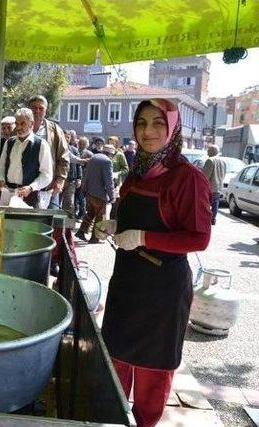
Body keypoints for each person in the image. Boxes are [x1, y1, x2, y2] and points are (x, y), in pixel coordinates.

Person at [96, 99, 211, 427]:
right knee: (115, 365)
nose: (148, 131)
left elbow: (198, 238)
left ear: (173, 127)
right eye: (142, 123)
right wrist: (115, 225)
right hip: (127, 285)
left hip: (162, 296)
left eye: (158, 123)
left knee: (151, 377)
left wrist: (145, 238)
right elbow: (128, 214)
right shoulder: (137, 172)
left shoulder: (187, 178)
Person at [0, 108, 53, 208]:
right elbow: (1, 167)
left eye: (22, 123)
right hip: (7, 194)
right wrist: (0, 180)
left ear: (31, 124)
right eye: (17, 123)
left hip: (30, 196)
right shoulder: (9, 142)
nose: (18, 127)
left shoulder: (41, 145)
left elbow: (47, 175)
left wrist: (31, 187)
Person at [29, 95, 69, 209]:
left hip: (49, 186)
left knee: (50, 221)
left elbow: (64, 156)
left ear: (45, 111)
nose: (37, 111)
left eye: (41, 108)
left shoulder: (54, 130)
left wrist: (60, 179)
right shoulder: (21, 127)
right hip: (26, 185)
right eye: (33, 108)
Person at [75, 144, 115, 243]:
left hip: (89, 192)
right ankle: (95, 238)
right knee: (100, 216)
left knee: (90, 213)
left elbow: (86, 174)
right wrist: (112, 196)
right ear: (110, 154)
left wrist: (84, 189)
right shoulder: (107, 161)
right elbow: (108, 180)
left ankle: (81, 231)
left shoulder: (93, 157)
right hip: (100, 194)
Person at [202, 144, 226, 225]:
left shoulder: (210, 160)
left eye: (208, 150)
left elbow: (205, 176)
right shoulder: (223, 161)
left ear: (212, 151)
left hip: (209, 187)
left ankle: (205, 218)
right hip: (218, 187)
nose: (207, 152)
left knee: (205, 204)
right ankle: (213, 219)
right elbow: (223, 174)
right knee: (215, 204)